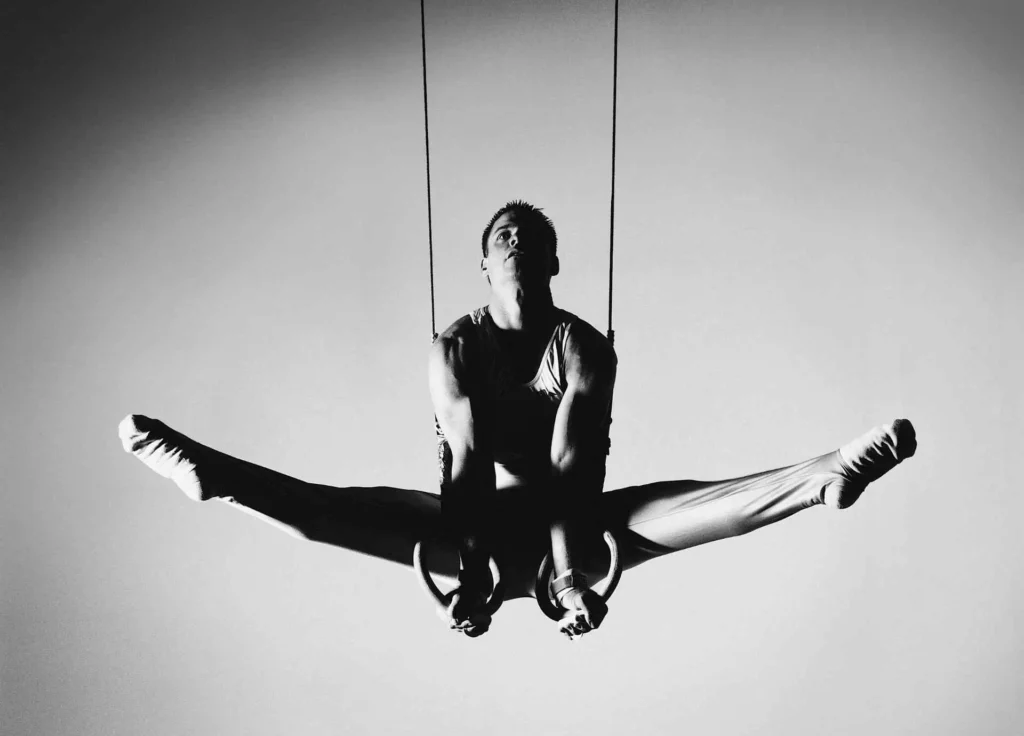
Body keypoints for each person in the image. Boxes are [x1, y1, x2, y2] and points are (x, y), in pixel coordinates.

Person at [119, 200, 917, 641]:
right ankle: (217, 479)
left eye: (532, 238)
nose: (517, 245)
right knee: (330, 512)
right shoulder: (454, 347)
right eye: (504, 238)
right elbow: (463, 463)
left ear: (552, 264)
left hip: (575, 517)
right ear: (485, 266)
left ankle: (824, 478)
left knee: (703, 505)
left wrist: (570, 578)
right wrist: (473, 571)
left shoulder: (583, 348)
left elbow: (574, 472)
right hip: (477, 516)